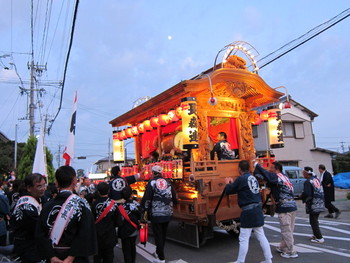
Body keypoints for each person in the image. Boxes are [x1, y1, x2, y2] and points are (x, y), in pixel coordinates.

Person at [36, 165, 97, 262]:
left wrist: (51, 257)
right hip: (77, 258)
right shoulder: (82, 204)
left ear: (56, 182)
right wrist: (71, 257)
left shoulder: (47, 206)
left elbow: (40, 234)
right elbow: (86, 232)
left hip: (53, 256)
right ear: (74, 181)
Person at [225, 160, 272, 263]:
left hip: (248, 211)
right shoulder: (252, 177)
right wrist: (233, 184)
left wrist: (227, 184)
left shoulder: (241, 178)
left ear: (239, 169)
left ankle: (240, 261)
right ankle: (268, 259)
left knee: (244, 237)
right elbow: (242, 188)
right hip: (257, 208)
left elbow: (229, 191)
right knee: (261, 235)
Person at [253, 160, 298, 258]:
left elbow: (267, 175)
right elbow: (267, 178)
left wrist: (257, 165)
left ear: (276, 170)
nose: (270, 170)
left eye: (271, 168)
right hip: (292, 206)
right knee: (289, 229)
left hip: (285, 206)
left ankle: (291, 251)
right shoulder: (285, 177)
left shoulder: (277, 177)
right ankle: (283, 246)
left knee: (286, 230)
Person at [141, 165, 177, 263]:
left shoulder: (152, 182)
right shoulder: (168, 182)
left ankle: (161, 258)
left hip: (156, 213)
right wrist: (175, 203)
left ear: (153, 173)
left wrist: (144, 208)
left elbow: (147, 197)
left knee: (158, 234)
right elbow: (174, 195)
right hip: (167, 212)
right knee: (163, 234)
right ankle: (159, 252)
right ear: (161, 173)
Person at [11, 173, 46, 263]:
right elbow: (38, 228)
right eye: (39, 186)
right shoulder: (27, 206)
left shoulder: (35, 199)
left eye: (44, 185)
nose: (43, 189)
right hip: (28, 248)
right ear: (29, 188)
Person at [91, 182, 122, 263]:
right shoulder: (113, 204)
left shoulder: (94, 204)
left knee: (97, 257)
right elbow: (118, 221)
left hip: (97, 236)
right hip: (110, 235)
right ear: (108, 191)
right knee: (109, 257)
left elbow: (91, 220)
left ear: (98, 191)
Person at [301, 167, 325, 244]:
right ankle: (316, 234)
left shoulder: (308, 181)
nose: (303, 174)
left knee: (313, 221)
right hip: (320, 202)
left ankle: (319, 237)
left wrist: (303, 198)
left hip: (313, 203)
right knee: (315, 219)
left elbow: (307, 194)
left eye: (303, 173)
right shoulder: (316, 179)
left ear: (307, 173)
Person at [119, 186, 142, 263]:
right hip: (133, 228)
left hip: (123, 230)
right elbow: (140, 216)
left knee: (126, 249)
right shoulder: (136, 205)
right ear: (131, 194)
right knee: (133, 246)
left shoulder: (120, 206)